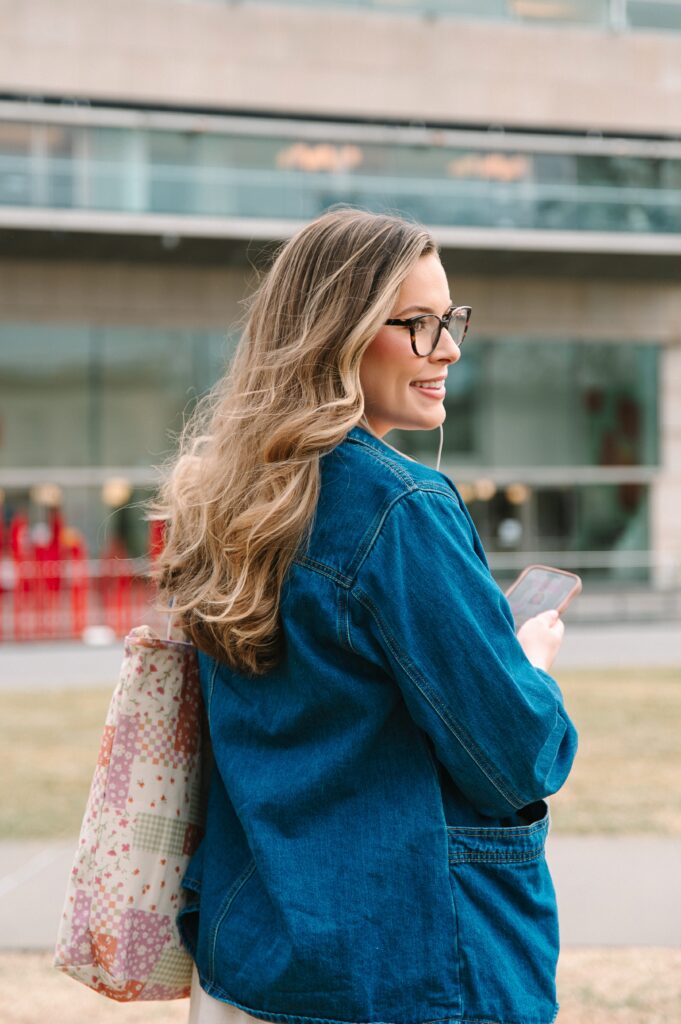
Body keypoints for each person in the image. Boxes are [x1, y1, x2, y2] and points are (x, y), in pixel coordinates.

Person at [149, 208, 578, 1024]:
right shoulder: (400, 508)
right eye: (416, 323)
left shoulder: (226, 503)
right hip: (406, 962)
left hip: (256, 957)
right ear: (335, 335)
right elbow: (517, 758)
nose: (447, 349)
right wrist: (527, 665)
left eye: (449, 319)